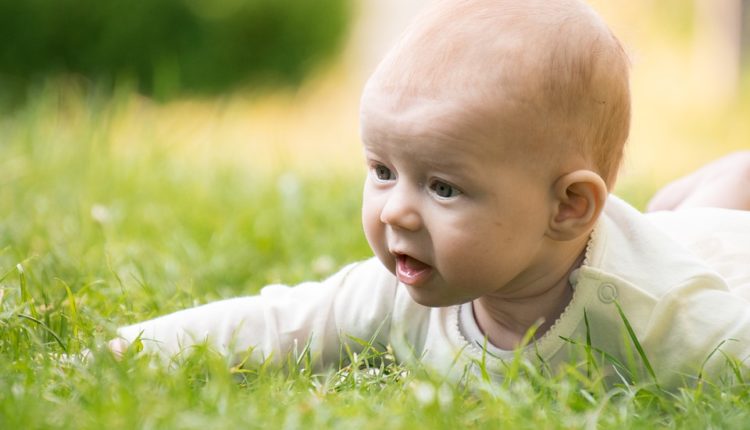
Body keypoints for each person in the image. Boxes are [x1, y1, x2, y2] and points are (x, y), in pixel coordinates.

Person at [109, 0, 750, 388]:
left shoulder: (665, 318)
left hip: (718, 257)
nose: (394, 209)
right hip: (666, 236)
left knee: (710, 214)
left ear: (568, 208)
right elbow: (285, 322)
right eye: (382, 169)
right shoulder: (403, 290)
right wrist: (125, 350)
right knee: (679, 213)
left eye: (443, 186)